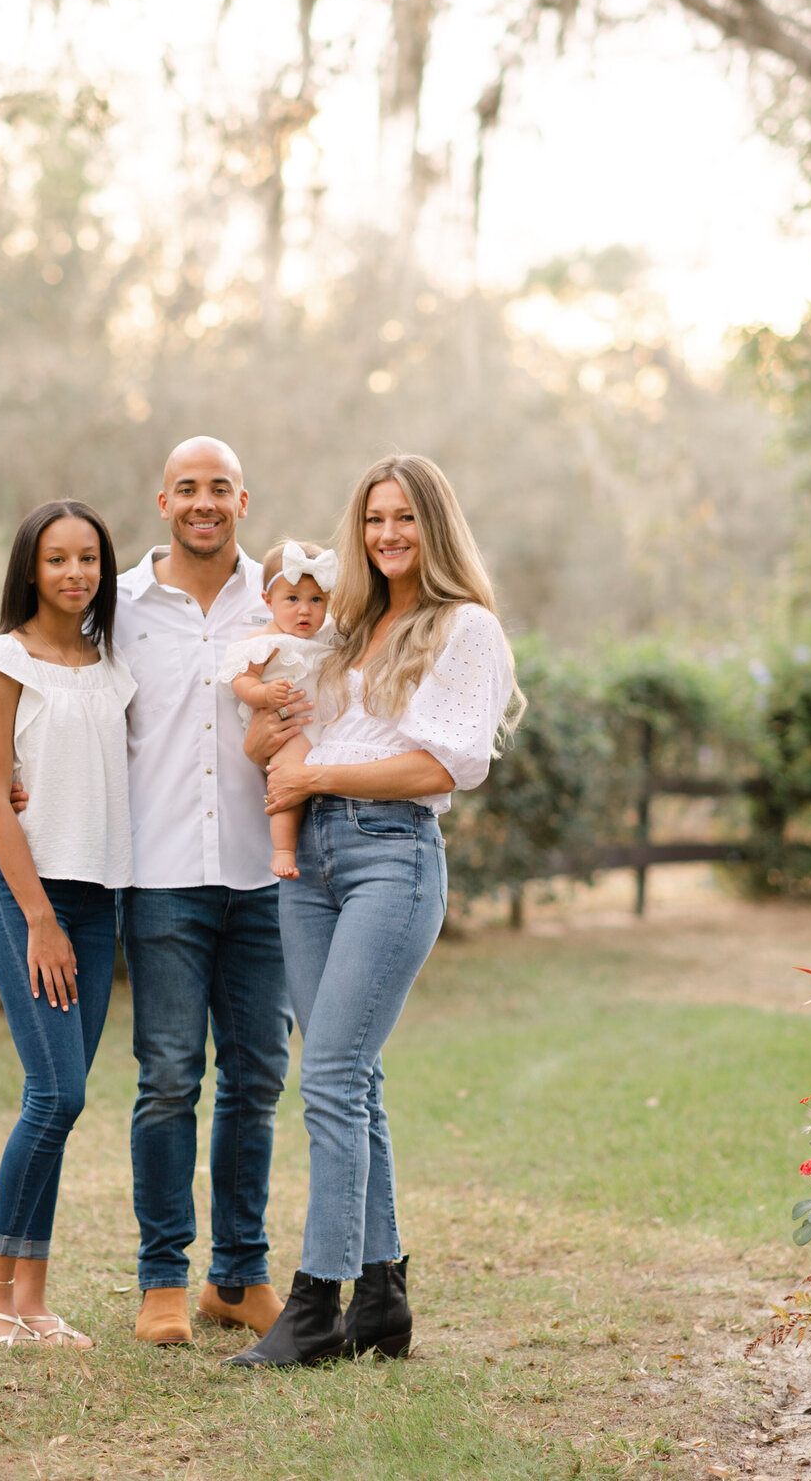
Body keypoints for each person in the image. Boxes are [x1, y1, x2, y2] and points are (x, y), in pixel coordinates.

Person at [228, 454, 523, 1369]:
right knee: (352, 1079)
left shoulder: (463, 629)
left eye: (404, 518)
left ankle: (315, 1306)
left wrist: (317, 771)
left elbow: (442, 767)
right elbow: (281, 726)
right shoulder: (351, 625)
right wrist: (273, 740)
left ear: (435, 525)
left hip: (390, 856)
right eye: (372, 519)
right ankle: (383, 1298)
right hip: (307, 858)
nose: (387, 534)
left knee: (330, 1080)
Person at [112, 436, 297, 1347]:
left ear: (243, 500)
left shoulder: (286, 598)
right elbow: (62, 694)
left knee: (257, 1079)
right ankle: (160, 1280)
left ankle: (238, 1275)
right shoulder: (122, 605)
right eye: (188, 488)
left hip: (267, 879)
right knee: (169, 1079)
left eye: (219, 488)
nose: (204, 502)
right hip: (163, 879)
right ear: (163, 501)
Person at [0, 500, 135, 1350]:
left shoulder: (110, 664)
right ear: (31, 568)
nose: (75, 574)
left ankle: (31, 1302)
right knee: (57, 1094)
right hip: (25, 898)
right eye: (58, 559)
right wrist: (38, 919)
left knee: (57, 1106)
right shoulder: (3, 659)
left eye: (88, 559)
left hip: (101, 899)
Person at [218, 539, 337, 878]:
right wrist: (265, 694)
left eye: (317, 600)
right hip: (288, 729)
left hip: (322, 725)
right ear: (268, 601)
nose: (305, 610)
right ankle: (283, 849)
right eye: (292, 599)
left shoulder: (326, 635)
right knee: (287, 779)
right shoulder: (264, 642)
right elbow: (242, 681)